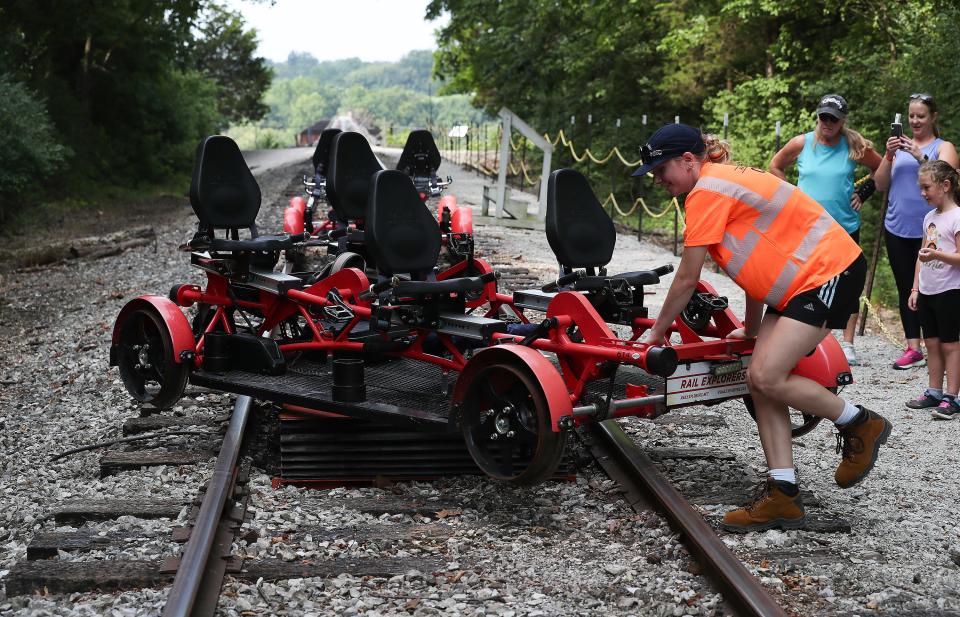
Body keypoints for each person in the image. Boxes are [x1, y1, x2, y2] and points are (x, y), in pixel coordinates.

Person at [635, 123, 892, 533]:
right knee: (760, 381)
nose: (656, 179)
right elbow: (750, 263)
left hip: (827, 271)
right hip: (799, 284)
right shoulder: (718, 182)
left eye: (660, 169)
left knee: (766, 374)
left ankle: (860, 421)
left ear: (688, 160)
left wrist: (655, 333)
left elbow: (686, 278)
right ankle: (782, 495)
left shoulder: (706, 192)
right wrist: (750, 328)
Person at [769, 94, 882, 366]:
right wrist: (789, 193)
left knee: (847, 284)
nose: (827, 122)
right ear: (817, 116)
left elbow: (881, 167)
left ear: (842, 120)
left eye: (833, 118)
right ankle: (799, 335)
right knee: (801, 280)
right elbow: (775, 165)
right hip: (806, 227)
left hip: (843, 227)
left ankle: (849, 342)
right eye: (823, 116)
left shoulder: (854, 145)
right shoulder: (802, 142)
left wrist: (864, 191)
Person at [874, 93, 959, 369]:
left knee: (934, 288)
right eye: (911, 116)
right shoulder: (898, 148)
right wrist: (889, 155)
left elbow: (950, 179)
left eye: (921, 116)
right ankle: (913, 348)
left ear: (933, 117)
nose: (915, 121)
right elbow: (879, 184)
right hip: (897, 226)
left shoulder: (943, 147)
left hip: (933, 230)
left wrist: (920, 155)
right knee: (905, 288)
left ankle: (940, 343)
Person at [905, 160, 960, 417]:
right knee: (932, 343)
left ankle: (952, 396)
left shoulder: (957, 216)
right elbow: (922, 254)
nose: (923, 193)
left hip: (950, 290)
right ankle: (934, 391)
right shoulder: (929, 218)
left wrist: (936, 256)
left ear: (945, 185)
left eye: (926, 187)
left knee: (950, 344)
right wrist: (915, 287)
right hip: (927, 290)